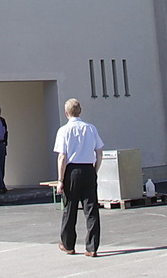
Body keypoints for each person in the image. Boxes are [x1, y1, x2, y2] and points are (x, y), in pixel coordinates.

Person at [53, 98, 104, 258]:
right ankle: (92, 247)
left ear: (66, 113)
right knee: (91, 210)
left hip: (72, 170)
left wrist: (60, 180)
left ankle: (68, 245)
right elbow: (99, 152)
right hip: (89, 168)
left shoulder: (64, 130)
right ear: (80, 111)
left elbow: (62, 157)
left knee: (70, 209)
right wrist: (95, 170)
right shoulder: (91, 128)